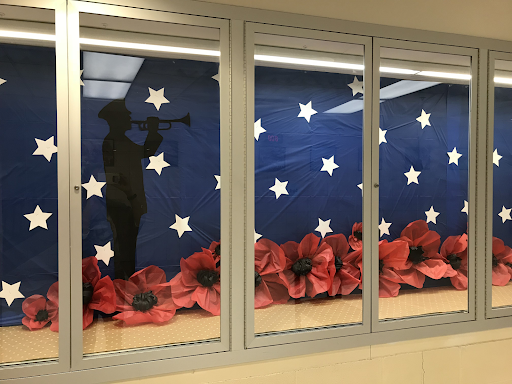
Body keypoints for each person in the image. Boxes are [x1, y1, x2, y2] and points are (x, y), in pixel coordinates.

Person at [99, 99, 163, 280]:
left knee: (128, 246)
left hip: (127, 201)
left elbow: (142, 152)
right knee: (124, 247)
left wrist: (153, 132)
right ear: (116, 119)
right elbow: (144, 152)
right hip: (123, 203)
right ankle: (124, 283)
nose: (130, 117)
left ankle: (126, 282)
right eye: (126, 115)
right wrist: (153, 131)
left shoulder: (119, 140)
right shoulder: (114, 142)